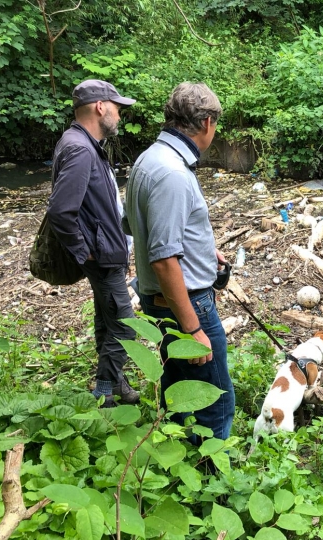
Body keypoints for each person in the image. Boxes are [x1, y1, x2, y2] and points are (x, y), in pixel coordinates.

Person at [123, 82, 234, 441]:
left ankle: (182, 464)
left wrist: (203, 252)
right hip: (187, 307)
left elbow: (139, 228)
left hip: (166, 302)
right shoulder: (173, 174)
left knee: (180, 391)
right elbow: (164, 259)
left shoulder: (149, 159)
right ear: (205, 123)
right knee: (214, 401)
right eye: (215, 124)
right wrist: (193, 329)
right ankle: (211, 481)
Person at [46, 79, 140, 408]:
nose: (119, 115)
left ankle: (119, 386)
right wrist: (83, 250)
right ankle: (103, 391)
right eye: (116, 108)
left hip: (103, 254)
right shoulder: (79, 148)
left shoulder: (81, 143)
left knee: (107, 321)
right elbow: (60, 210)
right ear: (101, 107)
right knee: (125, 329)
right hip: (102, 257)